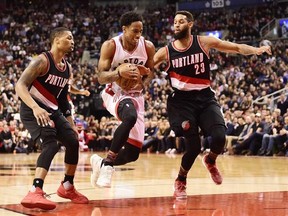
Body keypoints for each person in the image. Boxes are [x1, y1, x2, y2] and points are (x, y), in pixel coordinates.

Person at [153, 10, 272, 199]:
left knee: (219, 137)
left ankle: (210, 159)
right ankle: (181, 180)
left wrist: (256, 50)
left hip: (205, 97)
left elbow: (237, 48)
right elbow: (146, 68)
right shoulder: (166, 51)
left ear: (190, 24)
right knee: (193, 148)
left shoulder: (203, 42)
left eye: (181, 21)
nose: (177, 25)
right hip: (182, 102)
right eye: (175, 22)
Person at [15, 27, 88, 210]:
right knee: (51, 144)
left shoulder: (67, 68)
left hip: (53, 109)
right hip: (32, 109)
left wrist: (71, 123)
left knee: (73, 141)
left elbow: (63, 99)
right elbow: (20, 85)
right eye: (69, 38)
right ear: (56, 40)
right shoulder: (42, 60)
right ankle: (35, 190)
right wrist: (35, 107)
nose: (73, 41)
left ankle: (67, 186)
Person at [90, 11, 155, 188]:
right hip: (114, 93)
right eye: (134, 31)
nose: (138, 35)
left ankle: (100, 163)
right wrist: (118, 72)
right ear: (124, 29)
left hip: (136, 96)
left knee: (133, 153)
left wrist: (144, 84)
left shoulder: (147, 46)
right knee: (130, 117)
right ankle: (109, 164)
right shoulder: (111, 46)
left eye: (140, 31)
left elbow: (151, 71)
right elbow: (101, 77)